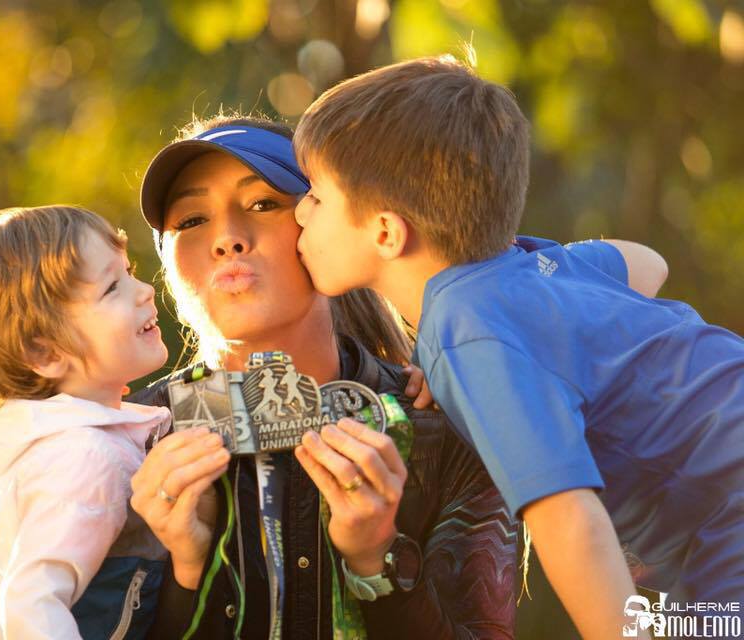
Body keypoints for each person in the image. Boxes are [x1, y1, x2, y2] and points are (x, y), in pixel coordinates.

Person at [292, 56, 744, 639]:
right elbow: (646, 263)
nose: (300, 211)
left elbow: (568, 519)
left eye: (317, 197)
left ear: (386, 232)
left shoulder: (469, 331)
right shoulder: (523, 271)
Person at [126, 114, 520, 640]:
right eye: (191, 220)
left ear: (325, 229)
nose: (226, 238)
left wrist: (375, 560)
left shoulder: (444, 423)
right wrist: (188, 572)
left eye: (263, 204)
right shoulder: (125, 438)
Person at [0, 206, 173, 639]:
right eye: (112, 288)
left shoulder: (45, 443)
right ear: (46, 354)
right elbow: (32, 602)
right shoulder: (82, 460)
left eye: (129, 272)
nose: (144, 290)